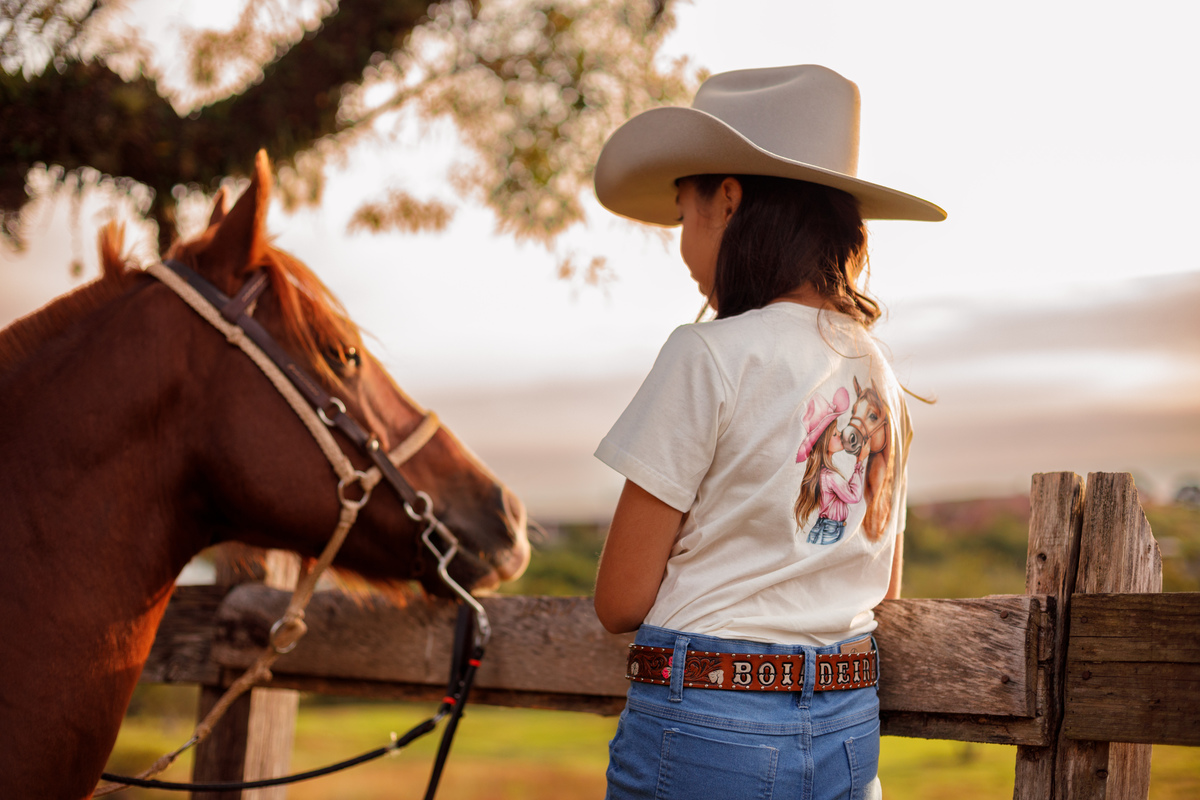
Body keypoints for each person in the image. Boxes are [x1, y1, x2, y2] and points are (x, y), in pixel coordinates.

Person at [590, 64, 944, 800]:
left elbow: (621, 599)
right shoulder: (879, 374)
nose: (683, 243)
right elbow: (880, 583)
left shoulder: (706, 354)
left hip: (707, 726)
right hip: (847, 720)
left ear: (728, 200)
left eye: (684, 214)